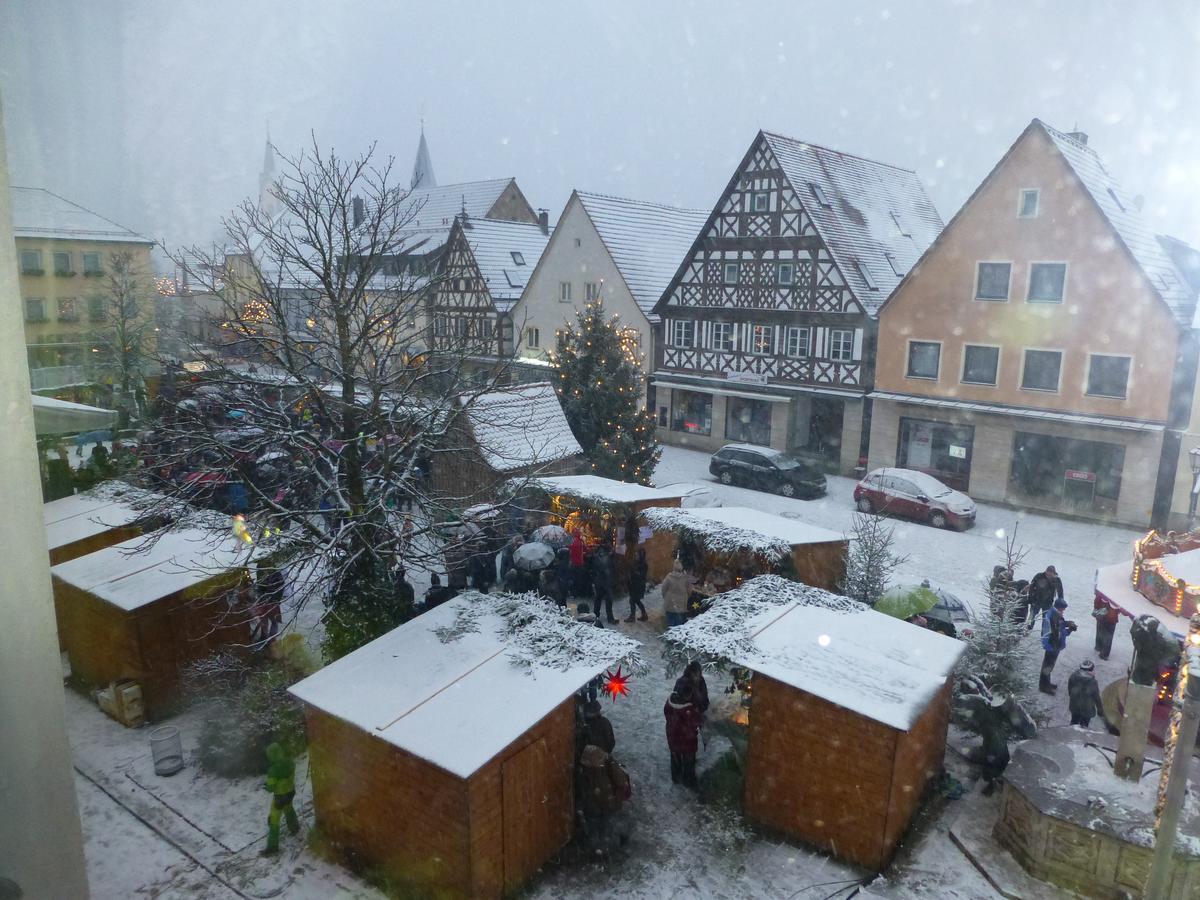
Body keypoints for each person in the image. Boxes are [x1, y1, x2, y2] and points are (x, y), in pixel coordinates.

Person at [262, 743, 300, 855]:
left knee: (274, 819)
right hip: (290, 793)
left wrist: (267, 786)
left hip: (279, 797)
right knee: (289, 809)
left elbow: (271, 787)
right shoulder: (290, 762)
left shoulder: (272, 770)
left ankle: (272, 847)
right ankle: (294, 827)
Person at [664, 683, 703, 788]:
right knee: (689, 761)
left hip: (672, 737)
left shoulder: (669, 702)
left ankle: (676, 778)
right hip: (687, 741)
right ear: (688, 695)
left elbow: (666, 714)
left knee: (675, 757)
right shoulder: (688, 710)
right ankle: (688, 781)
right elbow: (696, 722)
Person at [1040, 597, 1075, 694]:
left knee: (1048, 666)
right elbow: (1060, 633)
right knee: (1048, 666)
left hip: (1052, 645)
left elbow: (1060, 626)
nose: (1064, 611)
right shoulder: (1055, 616)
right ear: (1059, 608)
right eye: (1063, 609)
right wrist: (1070, 629)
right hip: (1053, 646)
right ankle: (1044, 687)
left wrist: (1067, 624)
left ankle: (1046, 683)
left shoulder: (1053, 613)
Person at [1068, 659, 1105, 728]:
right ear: (1090, 670)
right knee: (1084, 726)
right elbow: (1096, 697)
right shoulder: (1092, 682)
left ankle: (1070, 734)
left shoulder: (1073, 676)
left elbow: (1070, 689)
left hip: (1075, 705)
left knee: (1074, 721)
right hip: (1087, 708)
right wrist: (1100, 710)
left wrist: (1073, 697)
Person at [1027, 565, 1064, 630]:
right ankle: (1028, 629)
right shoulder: (1039, 576)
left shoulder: (1056, 579)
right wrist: (1030, 598)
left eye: (1050, 573)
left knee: (1046, 619)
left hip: (1048, 602)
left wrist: (1061, 602)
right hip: (1036, 600)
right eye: (1048, 572)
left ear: (1054, 573)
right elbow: (1031, 587)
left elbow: (1060, 591)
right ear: (1046, 571)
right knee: (1032, 616)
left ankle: (1044, 633)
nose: (1049, 574)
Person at [661, 560, 696, 628]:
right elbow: (689, 590)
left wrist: (666, 597)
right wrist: (685, 597)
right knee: (679, 624)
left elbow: (663, 589)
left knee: (670, 621)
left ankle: (670, 634)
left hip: (670, 603)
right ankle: (676, 636)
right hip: (681, 604)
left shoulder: (669, 577)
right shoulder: (686, 578)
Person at [591, 544, 616, 623]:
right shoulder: (601, 558)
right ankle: (608, 618)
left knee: (600, 599)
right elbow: (604, 569)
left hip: (601, 581)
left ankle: (597, 616)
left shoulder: (598, 558)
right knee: (606, 599)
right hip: (603, 581)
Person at [625, 547, 649, 622]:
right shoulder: (636, 563)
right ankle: (644, 614)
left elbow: (641, 575)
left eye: (637, 554)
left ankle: (633, 616)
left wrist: (633, 572)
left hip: (638, 586)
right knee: (636, 600)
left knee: (633, 600)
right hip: (634, 585)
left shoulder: (643, 564)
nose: (636, 556)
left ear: (641, 555)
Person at [1093, 596, 1120, 661]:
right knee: (1108, 637)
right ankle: (1104, 654)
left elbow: (1097, 601)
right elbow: (1120, 609)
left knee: (1100, 632)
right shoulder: (1119, 595)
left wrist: (1096, 609)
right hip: (1111, 619)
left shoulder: (1104, 591)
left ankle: (1098, 647)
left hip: (1102, 616)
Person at [569, 529, 587, 597]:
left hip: (573, 563)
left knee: (574, 578)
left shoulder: (571, 541)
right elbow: (586, 549)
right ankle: (580, 593)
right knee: (580, 578)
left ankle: (574, 593)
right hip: (580, 563)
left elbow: (570, 552)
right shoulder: (581, 542)